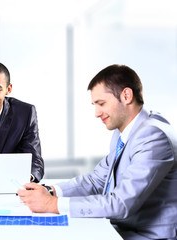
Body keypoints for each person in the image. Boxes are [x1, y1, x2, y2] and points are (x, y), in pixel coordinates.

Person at [18, 64, 177, 239]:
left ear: (126, 95)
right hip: (122, 229)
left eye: (101, 103)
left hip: (147, 236)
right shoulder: (126, 132)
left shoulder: (152, 137)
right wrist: (50, 190)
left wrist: (52, 204)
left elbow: (120, 204)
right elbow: (97, 180)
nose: (96, 113)